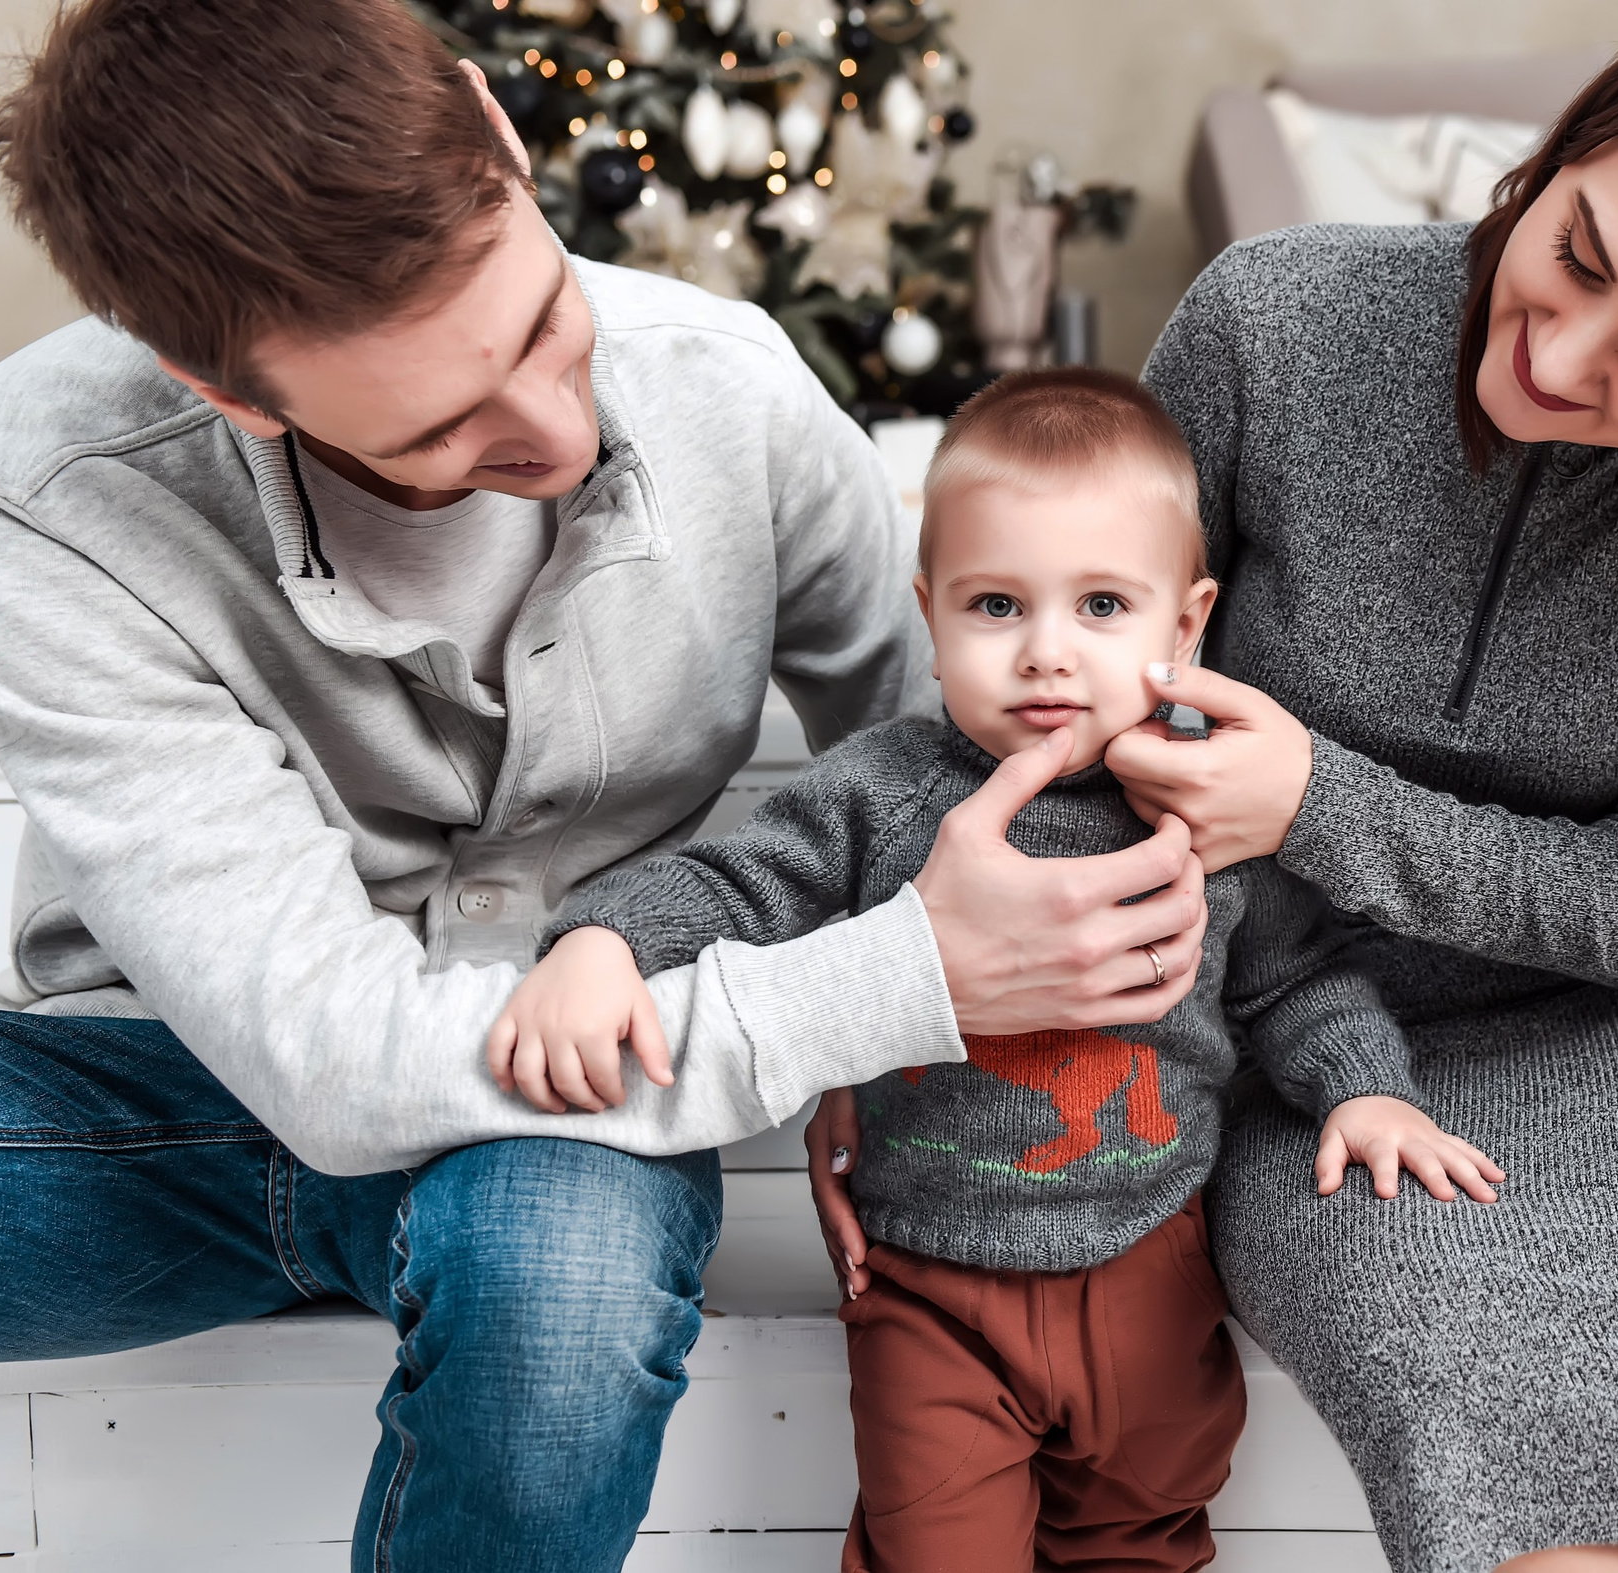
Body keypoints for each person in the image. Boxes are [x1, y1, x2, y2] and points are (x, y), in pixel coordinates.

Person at [0, 3, 1209, 1570]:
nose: (554, 428)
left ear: (499, 127)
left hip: (577, 1115)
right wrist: (868, 993)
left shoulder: (734, 392)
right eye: (443, 425)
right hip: (158, 1094)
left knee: (562, 1286)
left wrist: (932, 1057)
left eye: (540, 323)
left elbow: (954, 789)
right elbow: (329, 1056)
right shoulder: (25, 495)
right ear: (230, 390)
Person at [802, 1, 1618, 1569]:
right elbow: (1041, 703)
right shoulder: (1275, 324)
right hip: (1308, 1065)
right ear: (1575, 141)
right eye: (1579, 253)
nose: (1560, 355)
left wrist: (1318, 804)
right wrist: (892, 999)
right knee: (1491, 1457)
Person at [500, 369, 1500, 1573]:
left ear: (1185, 625)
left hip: (1149, 1259)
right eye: (995, 606)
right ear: (931, 614)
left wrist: (1365, 1088)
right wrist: (601, 941)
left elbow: (1295, 980)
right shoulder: (883, 793)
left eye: (1101, 605)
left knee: (1140, 1539)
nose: (1045, 654)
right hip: (929, 1282)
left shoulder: (1203, 807)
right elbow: (733, 883)